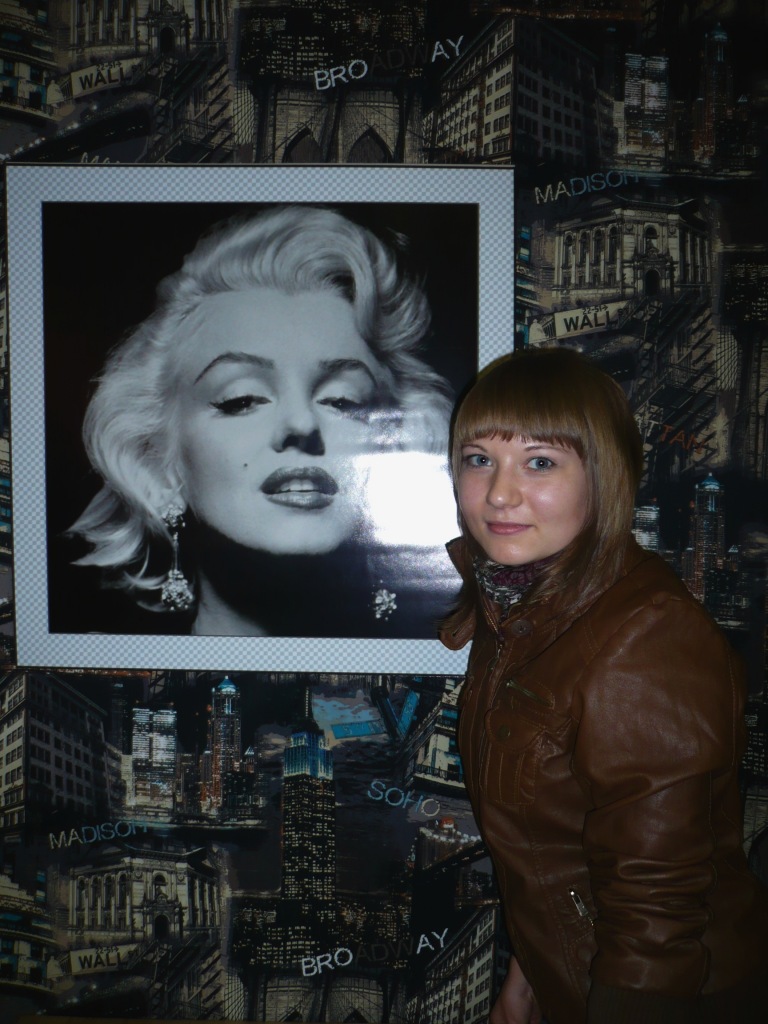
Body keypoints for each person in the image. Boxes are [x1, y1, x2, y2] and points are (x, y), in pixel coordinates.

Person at [440, 348, 768, 1024]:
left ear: (603, 477)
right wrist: (529, 976)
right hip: (573, 977)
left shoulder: (645, 637)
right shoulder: (520, 603)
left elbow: (656, 907)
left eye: (539, 462)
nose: (499, 493)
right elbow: (555, 847)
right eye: (479, 459)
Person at [67, 205, 455, 637]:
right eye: (242, 400)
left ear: (396, 444)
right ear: (157, 462)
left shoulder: (450, 658)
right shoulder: (96, 665)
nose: (301, 424)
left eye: (343, 401)